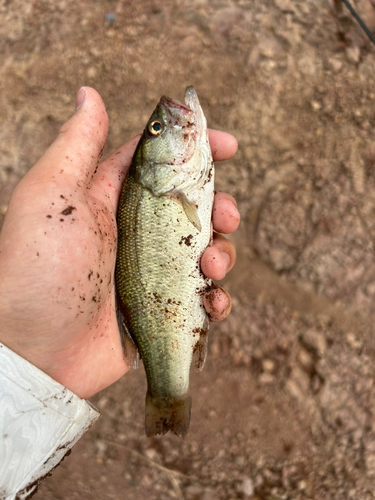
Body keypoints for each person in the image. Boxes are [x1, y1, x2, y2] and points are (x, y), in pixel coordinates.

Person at [0, 87, 240, 499]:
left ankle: (170, 383)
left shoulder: (166, 181)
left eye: (156, 126)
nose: (166, 120)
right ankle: (168, 392)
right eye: (158, 127)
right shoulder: (160, 184)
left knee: (208, 275)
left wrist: (29, 361)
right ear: (151, 161)